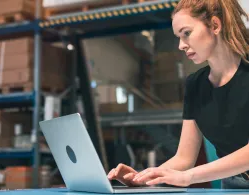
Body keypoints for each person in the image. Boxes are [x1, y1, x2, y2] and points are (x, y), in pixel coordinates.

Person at [107, 0, 249, 189]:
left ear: (215, 25)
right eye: (178, 37)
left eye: (186, 33)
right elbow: (184, 158)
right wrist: (145, 179)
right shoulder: (195, 84)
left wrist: (188, 177)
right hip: (233, 185)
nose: (181, 45)